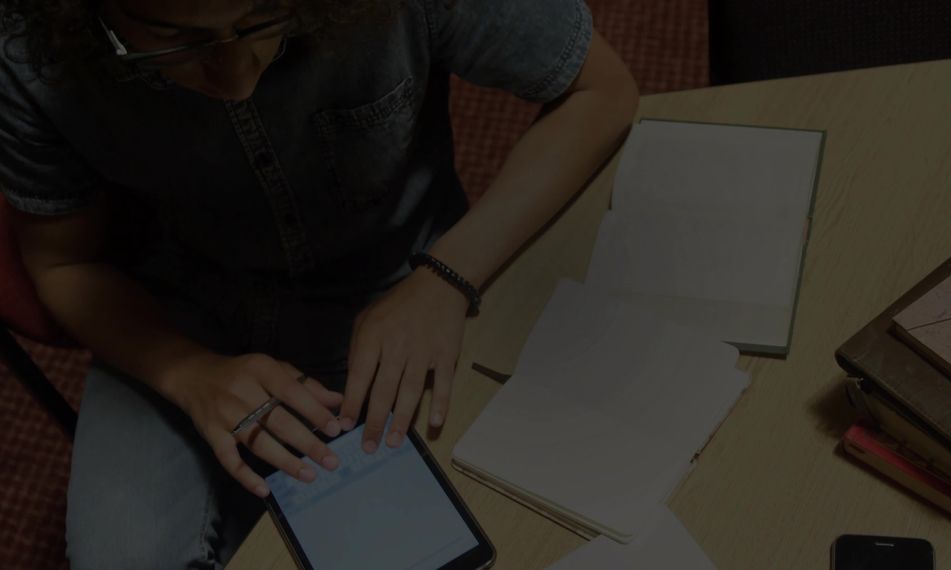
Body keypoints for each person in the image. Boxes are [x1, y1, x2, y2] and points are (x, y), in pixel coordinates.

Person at [0, 0, 638, 567]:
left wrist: (445, 276)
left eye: (265, 18)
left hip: (400, 280)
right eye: (174, 38)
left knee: (523, 511)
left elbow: (600, 91)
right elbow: (63, 266)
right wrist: (184, 371)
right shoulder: (31, 44)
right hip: (175, 311)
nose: (236, 78)